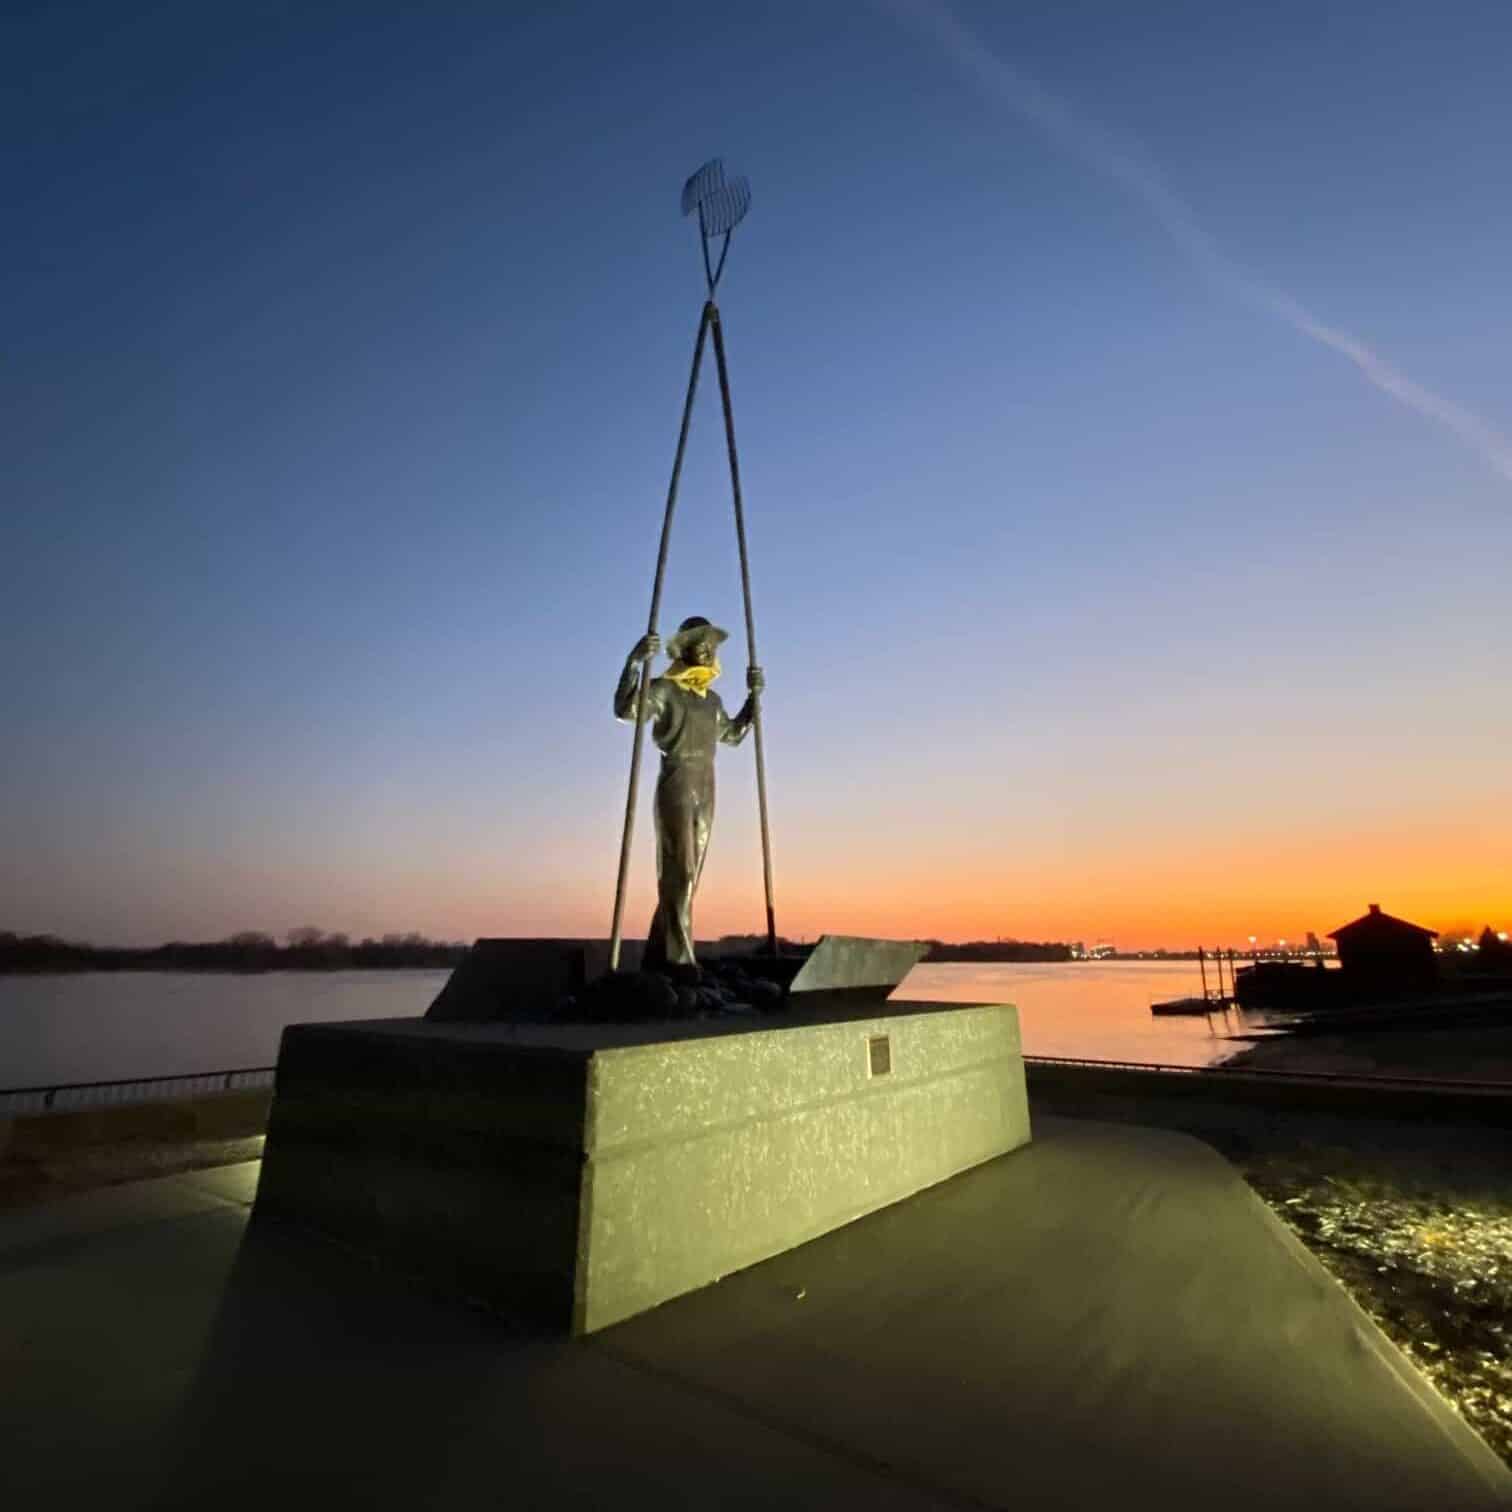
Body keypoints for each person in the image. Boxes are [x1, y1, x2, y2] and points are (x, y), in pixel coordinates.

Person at [614, 616, 764, 972]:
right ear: (684, 652)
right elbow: (626, 709)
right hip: (677, 781)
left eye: (712, 647)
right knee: (679, 872)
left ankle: (658, 955)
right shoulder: (665, 689)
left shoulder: (711, 700)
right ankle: (681, 963)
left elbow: (733, 735)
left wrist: (752, 700)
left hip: (707, 786)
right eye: (701, 646)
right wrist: (633, 662)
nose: (708, 652)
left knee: (688, 878)